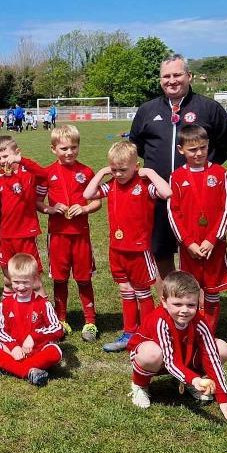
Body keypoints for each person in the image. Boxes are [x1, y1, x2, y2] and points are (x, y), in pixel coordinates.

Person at [129, 54, 227, 283]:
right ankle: (171, 300)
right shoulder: (147, 110)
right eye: (166, 76)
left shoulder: (209, 108)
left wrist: (203, 174)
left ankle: (197, 304)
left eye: (177, 74)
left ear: (189, 76)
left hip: (196, 197)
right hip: (157, 196)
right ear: (160, 80)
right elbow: (137, 145)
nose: (172, 80)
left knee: (196, 248)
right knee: (160, 250)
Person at [83, 141, 172, 351]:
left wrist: (149, 172)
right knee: (125, 290)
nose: (118, 174)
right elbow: (87, 195)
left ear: (136, 166)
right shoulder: (111, 184)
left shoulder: (144, 186)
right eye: (114, 169)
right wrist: (103, 172)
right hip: (117, 249)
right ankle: (129, 332)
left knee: (142, 291)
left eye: (123, 169)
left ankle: (149, 333)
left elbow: (167, 192)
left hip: (139, 251)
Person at [127, 271, 227, 420]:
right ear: (164, 301)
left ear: (198, 303)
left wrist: (224, 401)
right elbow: (170, 361)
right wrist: (194, 379)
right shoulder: (160, 321)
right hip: (157, 360)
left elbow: (212, 357)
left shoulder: (199, 322)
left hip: (182, 358)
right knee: (151, 353)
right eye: (177, 304)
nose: (184, 310)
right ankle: (140, 385)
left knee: (221, 348)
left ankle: (190, 381)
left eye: (191, 305)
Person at [167, 125, 227, 333]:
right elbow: (173, 213)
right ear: (181, 150)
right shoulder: (176, 177)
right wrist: (188, 242)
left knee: (212, 292)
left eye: (202, 148)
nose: (198, 153)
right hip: (190, 247)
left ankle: (209, 333)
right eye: (192, 149)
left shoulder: (220, 173)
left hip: (214, 245)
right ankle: (190, 330)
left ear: (208, 146)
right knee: (189, 291)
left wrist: (212, 239)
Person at [38, 125, 101, 340]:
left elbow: (97, 202)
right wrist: (50, 209)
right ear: (53, 149)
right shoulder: (47, 173)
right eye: (64, 148)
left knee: (84, 279)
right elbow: (38, 202)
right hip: (57, 234)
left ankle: (90, 321)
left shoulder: (87, 172)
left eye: (73, 147)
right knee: (59, 278)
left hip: (81, 234)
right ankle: (60, 319)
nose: (69, 152)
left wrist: (83, 208)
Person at [0, 253, 63, 386]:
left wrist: (34, 337)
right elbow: (2, 331)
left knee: (55, 351)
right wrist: (14, 347)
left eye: (25, 282)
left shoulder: (43, 303)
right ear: (10, 280)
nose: (20, 287)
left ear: (35, 279)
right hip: (13, 351)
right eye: (16, 282)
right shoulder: (6, 303)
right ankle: (30, 371)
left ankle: (8, 367)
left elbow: (57, 329)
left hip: (36, 351)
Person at [0, 136, 46, 299]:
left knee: (34, 280)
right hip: (6, 237)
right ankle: (6, 319)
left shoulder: (28, 174)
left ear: (17, 153)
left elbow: (44, 174)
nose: (2, 161)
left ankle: (46, 319)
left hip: (25, 235)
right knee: (8, 280)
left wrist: (21, 160)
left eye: (6, 156)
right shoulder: (0, 180)